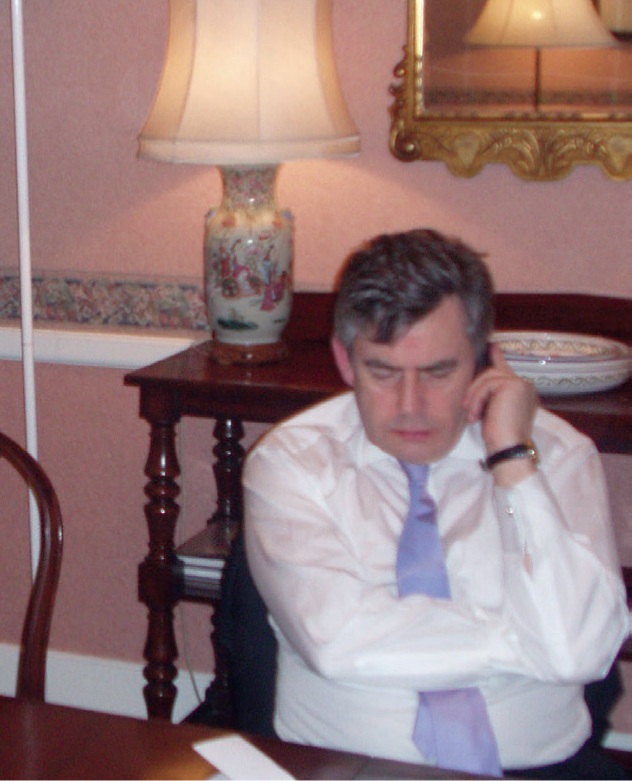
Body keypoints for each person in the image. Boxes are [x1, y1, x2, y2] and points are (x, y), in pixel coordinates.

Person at [243, 229, 630, 777]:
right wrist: (523, 639)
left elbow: (579, 652)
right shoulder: (291, 463)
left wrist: (512, 460)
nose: (410, 406)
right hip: (343, 768)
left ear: (485, 360)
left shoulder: (560, 455)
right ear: (344, 361)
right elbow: (338, 643)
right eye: (382, 372)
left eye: (439, 372)